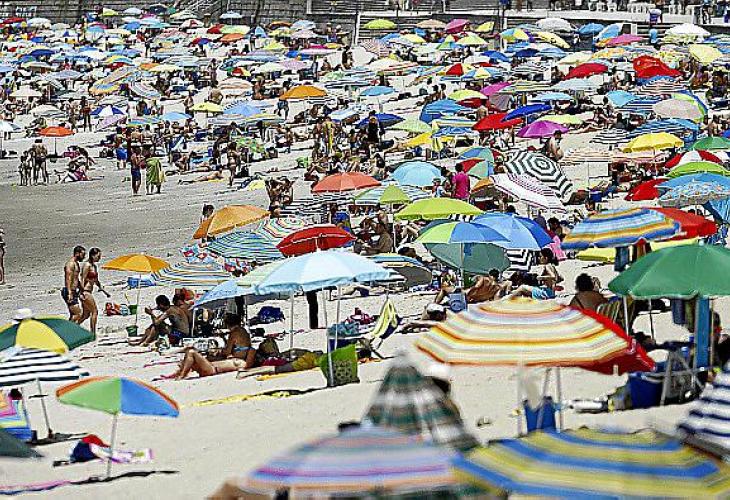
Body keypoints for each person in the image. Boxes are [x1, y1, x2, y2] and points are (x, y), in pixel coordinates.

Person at [79, 248, 110, 335]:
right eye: (98, 256)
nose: (99, 258)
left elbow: (96, 281)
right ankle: (93, 333)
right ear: (93, 255)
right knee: (94, 311)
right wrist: (81, 292)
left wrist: (104, 291)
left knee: (86, 315)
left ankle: (72, 327)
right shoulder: (87, 265)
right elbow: (82, 279)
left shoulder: (94, 266)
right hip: (85, 291)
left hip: (89, 291)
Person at [62, 245, 86, 323]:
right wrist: (69, 293)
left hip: (73, 291)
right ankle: (67, 329)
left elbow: (75, 279)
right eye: (83, 255)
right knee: (78, 314)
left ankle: (69, 328)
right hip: (69, 291)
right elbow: (68, 279)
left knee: (74, 314)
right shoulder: (70, 264)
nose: (84, 257)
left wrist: (81, 289)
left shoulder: (76, 264)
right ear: (77, 253)